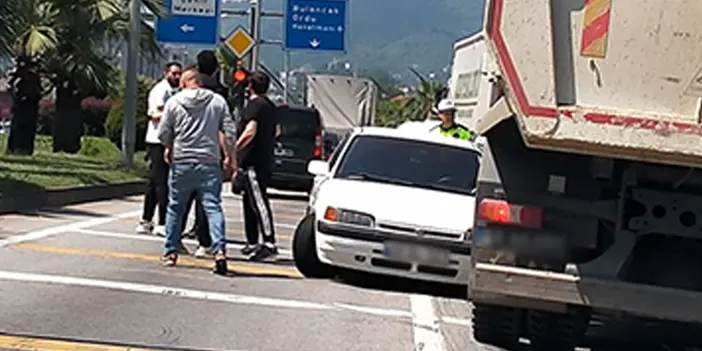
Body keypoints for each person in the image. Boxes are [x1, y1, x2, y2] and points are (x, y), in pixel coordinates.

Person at [158, 67, 237, 275]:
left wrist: (169, 146)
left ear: (183, 83)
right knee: (213, 207)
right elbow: (229, 131)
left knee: (175, 207)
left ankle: (171, 251)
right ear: (199, 83)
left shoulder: (174, 102)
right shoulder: (217, 101)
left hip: (182, 161)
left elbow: (164, 131)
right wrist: (229, 155)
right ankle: (219, 250)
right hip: (210, 162)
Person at [180, 50, 230, 259]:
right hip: (210, 151)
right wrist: (228, 154)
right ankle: (205, 242)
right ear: (217, 67)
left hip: (185, 148)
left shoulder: (188, 90)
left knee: (181, 198)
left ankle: (175, 239)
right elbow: (225, 127)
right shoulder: (220, 93)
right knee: (207, 200)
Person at [236, 71, 280, 261]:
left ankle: (269, 242)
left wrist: (234, 148)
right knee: (249, 201)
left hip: (254, 161)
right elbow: (278, 131)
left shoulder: (255, 106)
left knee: (259, 200)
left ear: (250, 86)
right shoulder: (270, 106)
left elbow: (250, 131)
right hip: (264, 158)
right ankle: (252, 241)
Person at [136, 62, 182, 237]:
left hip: (166, 140)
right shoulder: (160, 90)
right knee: (162, 182)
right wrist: (173, 114)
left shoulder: (173, 92)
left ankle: (146, 220)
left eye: (179, 74)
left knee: (155, 182)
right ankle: (161, 222)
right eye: (174, 73)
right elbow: (154, 113)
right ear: (166, 73)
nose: (177, 77)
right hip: (157, 140)